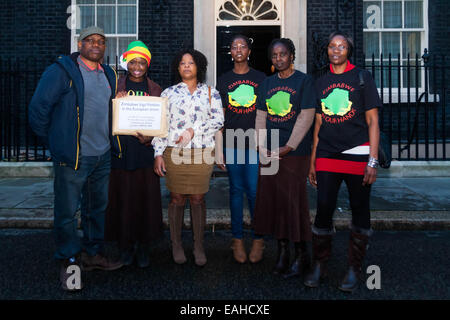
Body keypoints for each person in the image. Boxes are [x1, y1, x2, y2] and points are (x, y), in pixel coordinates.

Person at [28, 26, 123, 291]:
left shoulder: (110, 74)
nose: (96, 44)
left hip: (102, 155)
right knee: (67, 213)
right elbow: (38, 110)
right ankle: (69, 261)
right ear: (80, 44)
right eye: (90, 40)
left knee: (96, 209)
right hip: (73, 157)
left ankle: (92, 254)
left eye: (101, 41)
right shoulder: (61, 72)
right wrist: (57, 144)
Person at [303, 31, 381, 292]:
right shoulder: (321, 81)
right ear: (327, 51)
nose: (336, 50)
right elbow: (318, 121)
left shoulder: (362, 78)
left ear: (348, 51)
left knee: (360, 207)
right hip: (327, 152)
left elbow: (373, 120)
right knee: (324, 206)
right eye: (332, 46)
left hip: (358, 152)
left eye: (342, 46)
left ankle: (354, 268)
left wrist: (372, 160)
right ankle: (320, 264)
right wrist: (313, 159)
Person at [152, 48, 224, 267]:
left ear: (198, 67)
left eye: (191, 63)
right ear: (178, 67)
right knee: (176, 198)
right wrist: (158, 153)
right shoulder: (168, 93)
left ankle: (198, 245)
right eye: (182, 63)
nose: (186, 66)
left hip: (202, 152)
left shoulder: (211, 92)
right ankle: (176, 244)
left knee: (198, 199)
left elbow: (218, 120)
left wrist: (194, 130)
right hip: (174, 152)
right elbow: (161, 126)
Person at [253, 38, 316, 278]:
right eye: (274, 55)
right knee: (275, 202)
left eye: (283, 54)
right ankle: (282, 252)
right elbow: (260, 116)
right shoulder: (267, 83)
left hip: (294, 154)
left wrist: (289, 146)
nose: (279, 59)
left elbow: (307, 116)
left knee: (293, 203)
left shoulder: (304, 81)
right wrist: (261, 146)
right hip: (269, 153)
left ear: (292, 55)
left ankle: (302, 255)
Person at [104, 41, 163, 268]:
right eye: (133, 61)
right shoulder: (115, 86)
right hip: (121, 153)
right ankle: (125, 247)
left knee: (145, 201)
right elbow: (106, 118)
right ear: (127, 62)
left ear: (147, 65)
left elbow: (161, 122)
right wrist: (115, 104)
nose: (137, 66)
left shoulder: (155, 89)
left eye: (142, 62)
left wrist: (152, 137)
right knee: (123, 201)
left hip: (145, 154)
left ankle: (144, 246)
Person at [216, 35, 266, 264]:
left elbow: (266, 115)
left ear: (249, 51)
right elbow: (220, 118)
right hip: (233, 142)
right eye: (234, 46)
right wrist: (219, 148)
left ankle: (258, 238)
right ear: (230, 52)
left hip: (255, 143)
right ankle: (236, 239)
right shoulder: (224, 80)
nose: (238, 49)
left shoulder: (261, 78)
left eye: (242, 46)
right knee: (236, 191)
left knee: (255, 192)